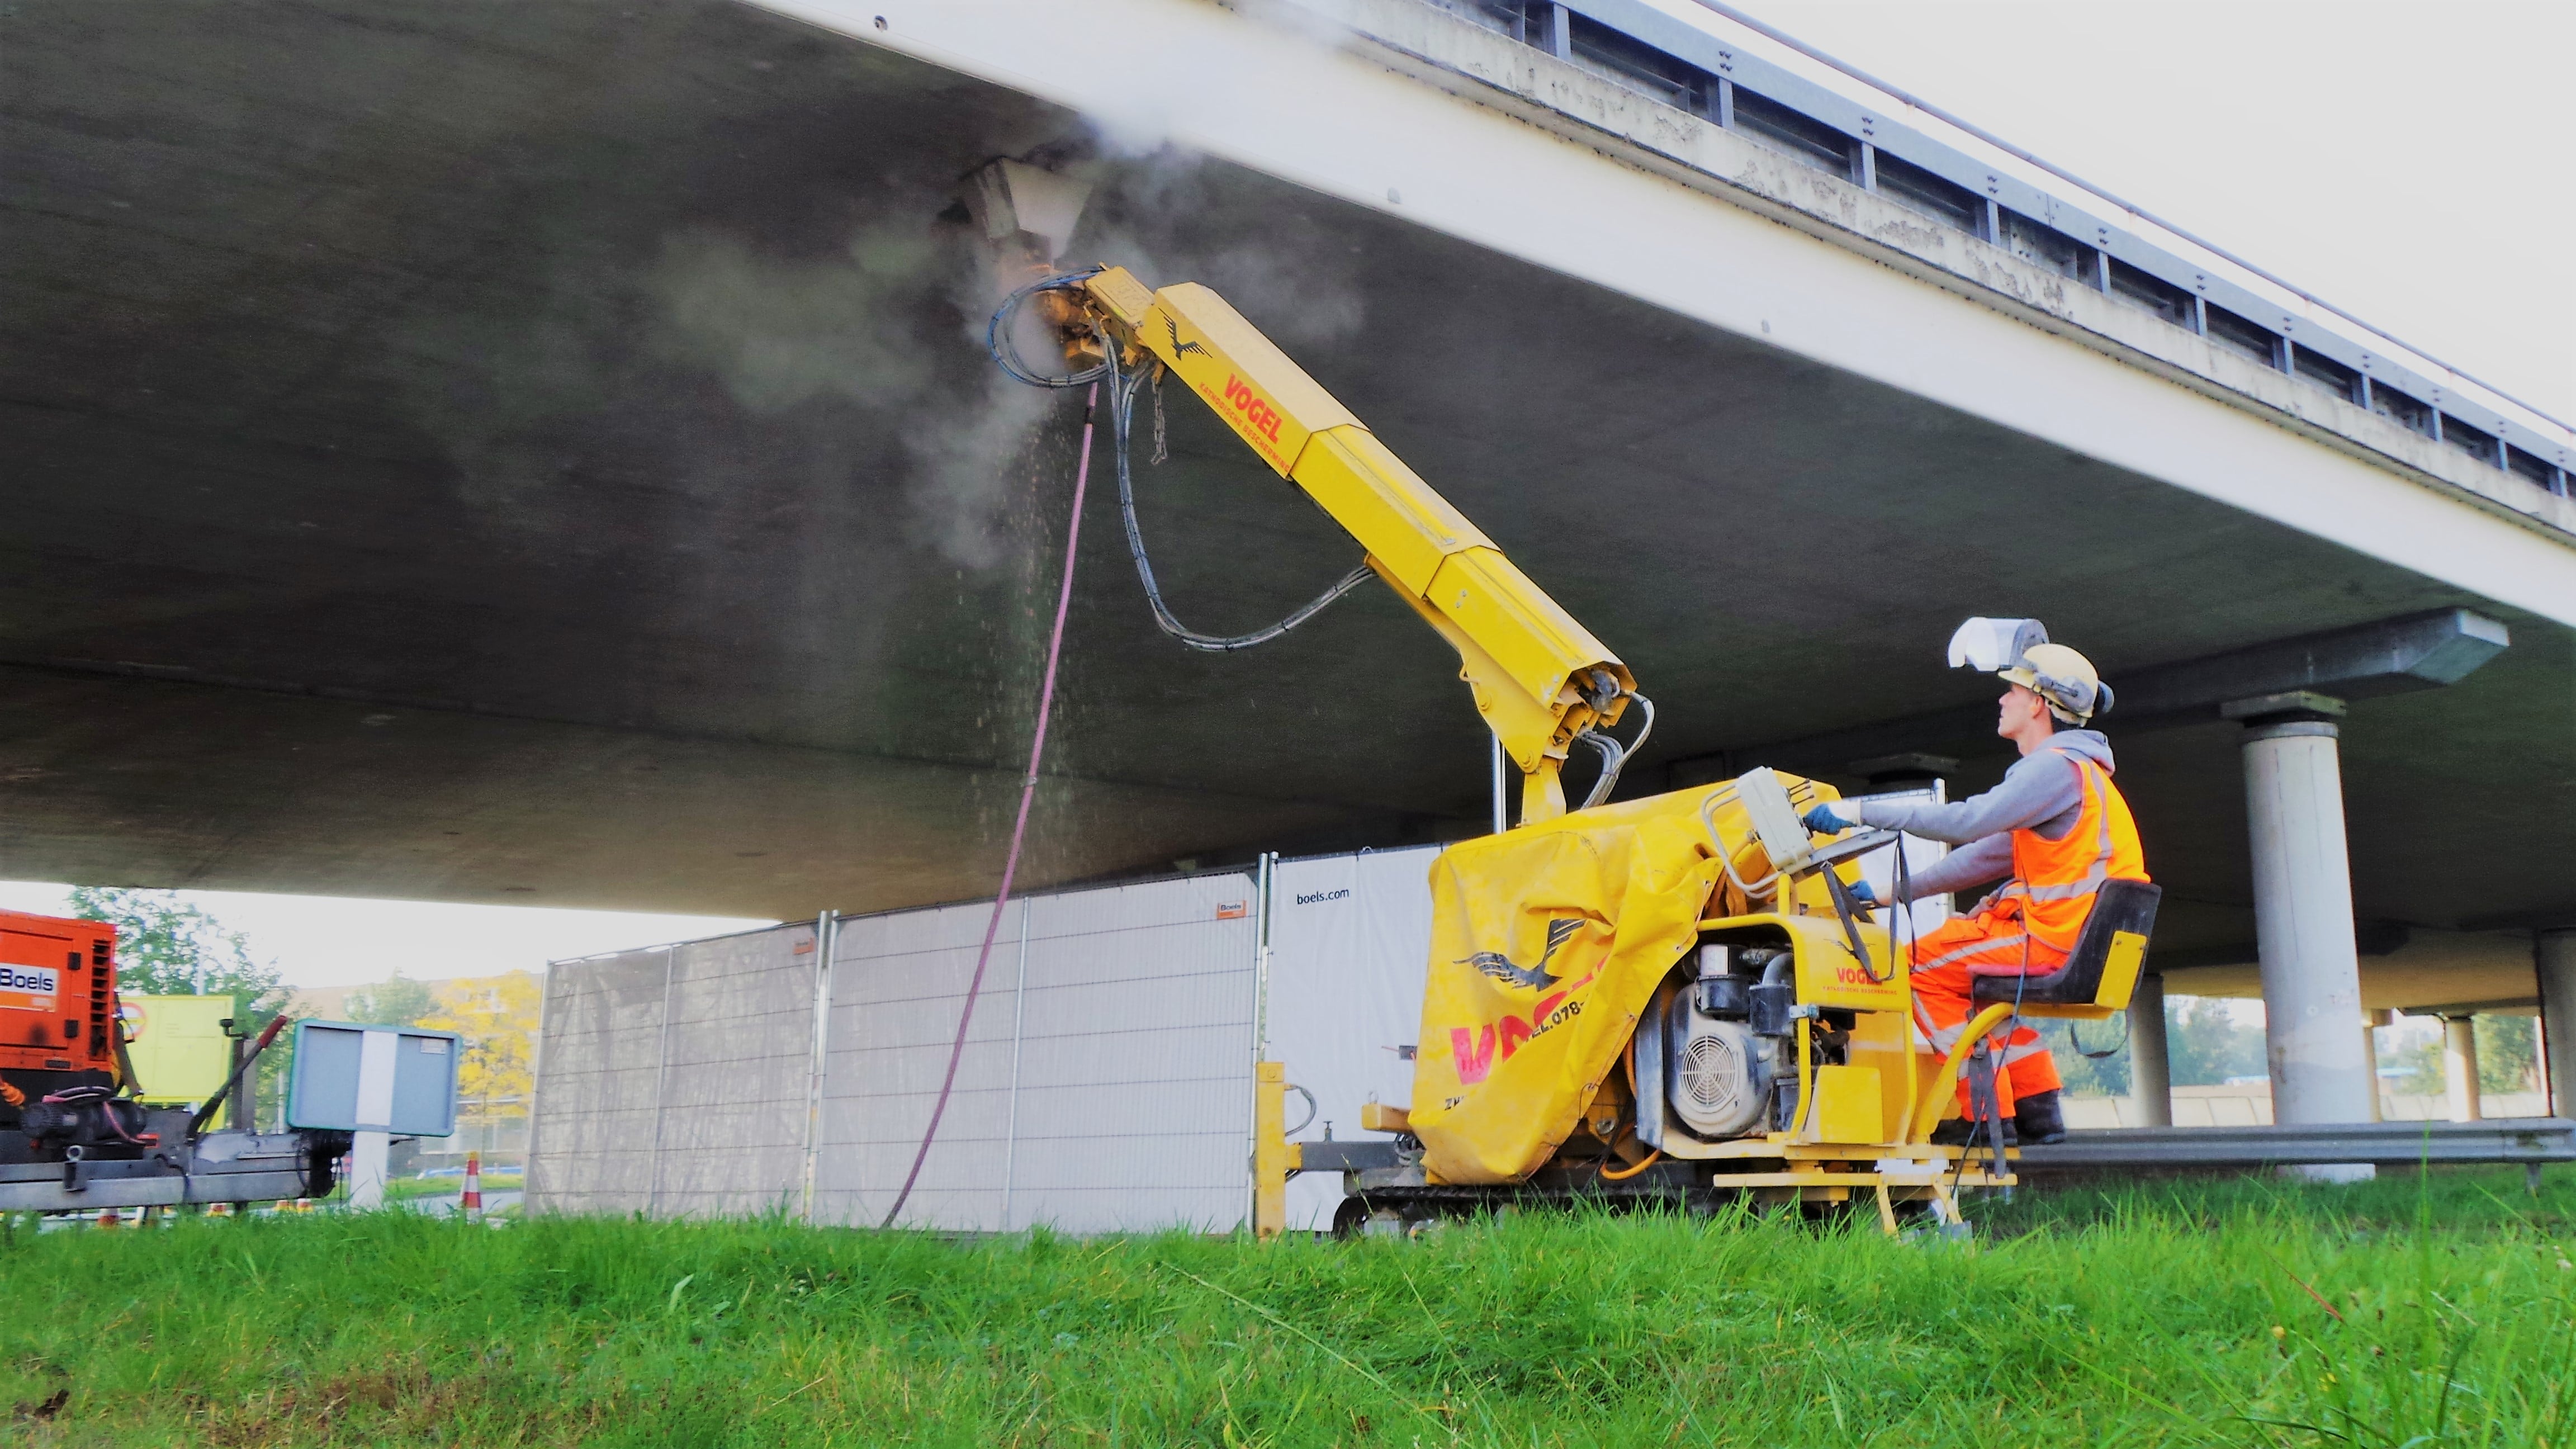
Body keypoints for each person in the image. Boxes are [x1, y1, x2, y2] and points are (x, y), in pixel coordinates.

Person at [1798, 619, 2147, 1145]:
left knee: (1916, 968)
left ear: (2037, 703)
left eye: (2012, 690)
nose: (2002, 701)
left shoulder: (2054, 769)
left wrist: (1856, 810)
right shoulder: (2081, 778)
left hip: (2054, 944)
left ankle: (1987, 1116)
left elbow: (1969, 820)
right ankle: (2037, 1107)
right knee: (1971, 997)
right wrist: (1891, 892)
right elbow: (1987, 855)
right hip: (2078, 945)